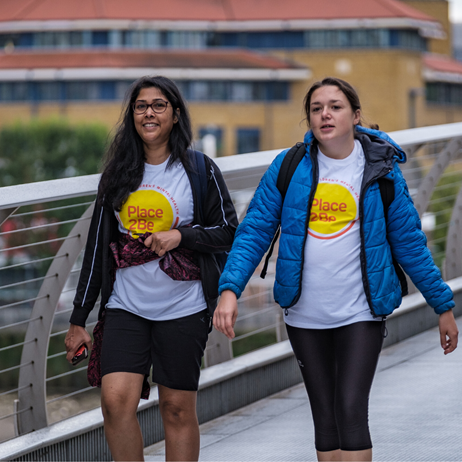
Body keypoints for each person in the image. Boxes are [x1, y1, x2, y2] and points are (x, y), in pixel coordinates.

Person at [213, 77, 459, 462]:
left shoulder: (381, 170)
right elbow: (254, 230)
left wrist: (442, 306)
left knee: (350, 408)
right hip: (304, 314)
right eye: (316, 108)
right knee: (324, 417)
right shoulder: (289, 166)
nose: (325, 114)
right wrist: (230, 289)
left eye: (335, 106)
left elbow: (410, 244)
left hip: (360, 311)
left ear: (355, 116)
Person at [64, 75, 238, 462]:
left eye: (159, 105)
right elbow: (97, 248)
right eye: (141, 106)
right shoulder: (117, 174)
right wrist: (79, 317)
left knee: (176, 409)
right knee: (114, 403)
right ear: (132, 116)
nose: (149, 113)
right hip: (126, 306)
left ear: (175, 115)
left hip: (184, 307)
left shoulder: (198, 169)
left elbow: (228, 231)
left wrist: (181, 236)